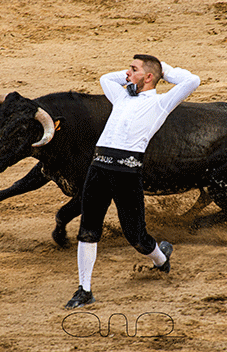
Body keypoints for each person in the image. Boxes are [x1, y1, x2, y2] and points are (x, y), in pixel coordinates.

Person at [65, 54, 200, 309]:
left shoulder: (161, 103)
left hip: (126, 174)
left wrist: (162, 70)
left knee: (136, 237)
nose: (126, 73)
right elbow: (106, 78)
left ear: (149, 77)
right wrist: (135, 76)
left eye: (133, 69)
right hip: (98, 168)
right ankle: (85, 289)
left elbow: (193, 81)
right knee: (88, 229)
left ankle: (160, 258)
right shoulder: (121, 96)